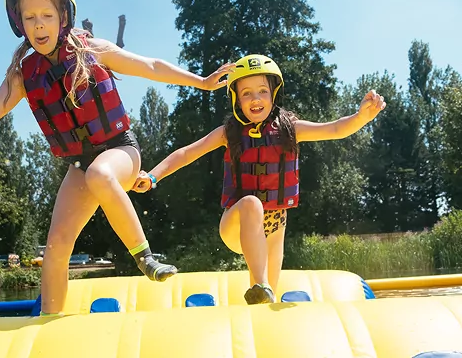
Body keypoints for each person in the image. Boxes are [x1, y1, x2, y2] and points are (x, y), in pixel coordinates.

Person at [0, 0, 234, 315]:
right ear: (18, 23)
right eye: (30, 17)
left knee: (101, 174)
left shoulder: (91, 48)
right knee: (56, 247)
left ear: (63, 16)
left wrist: (201, 81)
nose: (39, 24)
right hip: (79, 166)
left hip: (120, 151)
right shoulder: (24, 74)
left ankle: (145, 257)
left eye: (47, 15)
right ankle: (49, 321)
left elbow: (151, 66)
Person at [133, 54, 386, 304]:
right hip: (237, 224)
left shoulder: (289, 128)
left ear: (273, 94)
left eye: (262, 91)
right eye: (247, 93)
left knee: (268, 300)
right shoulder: (228, 132)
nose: (255, 99)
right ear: (237, 100)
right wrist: (153, 176)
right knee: (252, 203)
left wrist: (361, 117)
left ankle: (261, 290)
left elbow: (333, 129)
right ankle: (258, 282)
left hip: (275, 227)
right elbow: (187, 153)